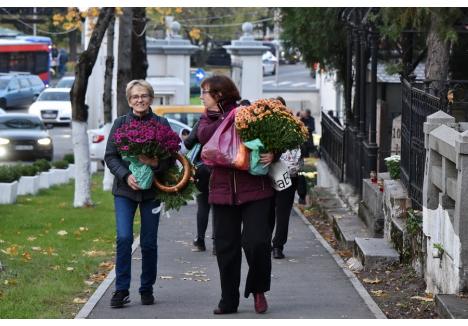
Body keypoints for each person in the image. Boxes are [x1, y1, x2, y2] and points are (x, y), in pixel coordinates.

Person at [197, 75, 274, 315]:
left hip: (255, 189)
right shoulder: (206, 119)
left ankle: (258, 289)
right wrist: (226, 118)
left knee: (257, 243)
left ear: (219, 95)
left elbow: (273, 137)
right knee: (225, 247)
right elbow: (204, 137)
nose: (201, 96)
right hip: (222, 192)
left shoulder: (248, 113)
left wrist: (274, 153)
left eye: (205, 92)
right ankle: (228, 300)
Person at [104, 80, 174, 308]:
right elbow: (111, 156)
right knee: (124, 238)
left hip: (152, 192)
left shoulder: (161, 123)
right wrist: (126, 175)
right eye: (135, 96)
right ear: (129, 100)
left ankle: (146, 288)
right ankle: (121, 289)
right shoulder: (120, 124)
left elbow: (171, 158)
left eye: (144, 95)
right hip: (125, 190)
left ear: (151, 98)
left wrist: (155, 163)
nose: (140, 100)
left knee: (148, 242)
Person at [269, 97, 305, 259]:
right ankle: (277, 246)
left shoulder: (264, 126)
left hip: (268, 174)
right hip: (289, 175)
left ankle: (268, 243)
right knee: (282, 213)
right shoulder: (294, 125)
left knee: (267, 211)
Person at [184, 119, 215, 254]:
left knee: (203, 204)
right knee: (218, 205)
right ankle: (216, 242)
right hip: (221, 167)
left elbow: (188, 142)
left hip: (202, 168)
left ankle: (200, 240)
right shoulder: (228, 117)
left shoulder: (204, 120)